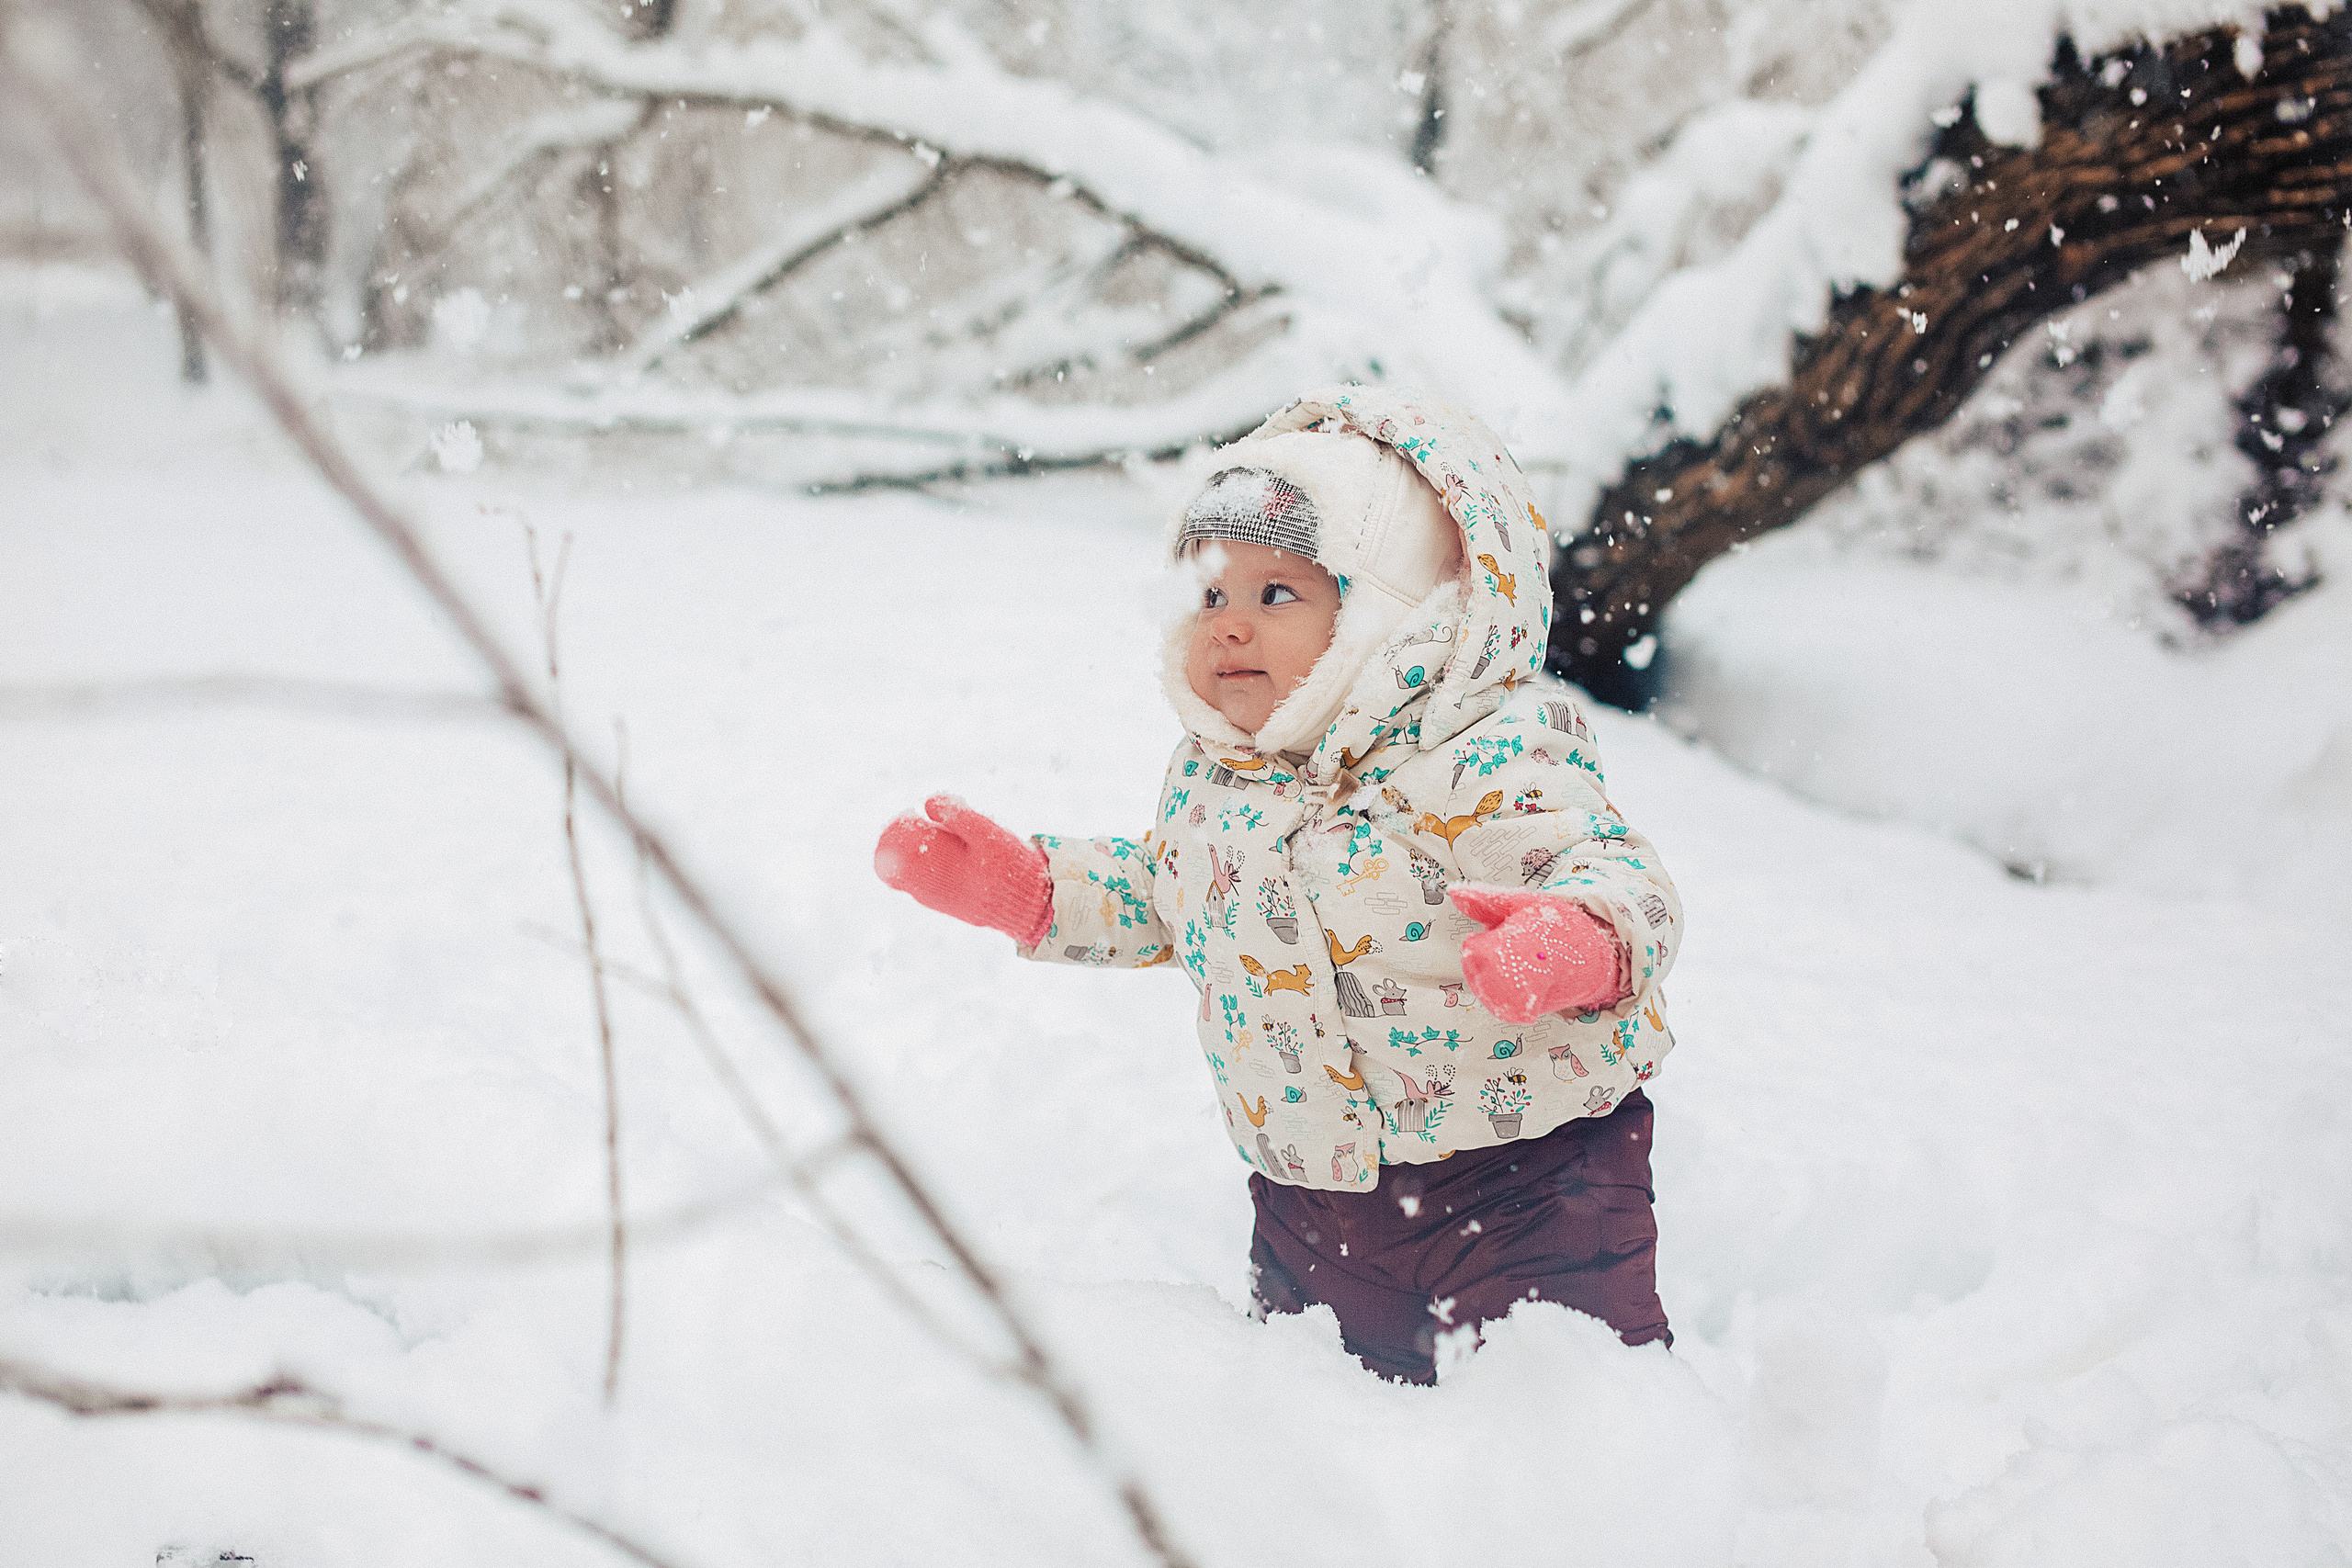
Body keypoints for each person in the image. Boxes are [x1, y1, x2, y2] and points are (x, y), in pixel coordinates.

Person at [874, 386, 1681, 1382]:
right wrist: (1032, 889)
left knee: (1566, 1431)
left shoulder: (1483, 756)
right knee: (1315, 1439)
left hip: (1526, 1184)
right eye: (1210, 595)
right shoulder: (1221, 776)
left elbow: (1620, 875)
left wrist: (1579, 941)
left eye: (1277, 595)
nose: (1228, 629)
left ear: (1393, 611)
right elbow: (1173, 897)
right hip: (1311, 1199)